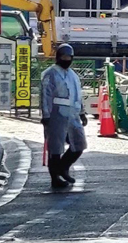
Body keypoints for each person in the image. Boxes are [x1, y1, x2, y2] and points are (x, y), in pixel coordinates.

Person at [40, 44, 89, 188]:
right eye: (64, 57)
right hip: (56, 115)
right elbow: (45, 95)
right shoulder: (51, 73)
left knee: (79, 144)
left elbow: (78, 95)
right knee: (55, 148)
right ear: (58, 57)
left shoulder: (73, 75)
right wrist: (46, 114)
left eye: (69, 57)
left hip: (73, 115)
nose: (66, 60)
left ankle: (63, 167)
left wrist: (82, 113)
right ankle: (55, 177)